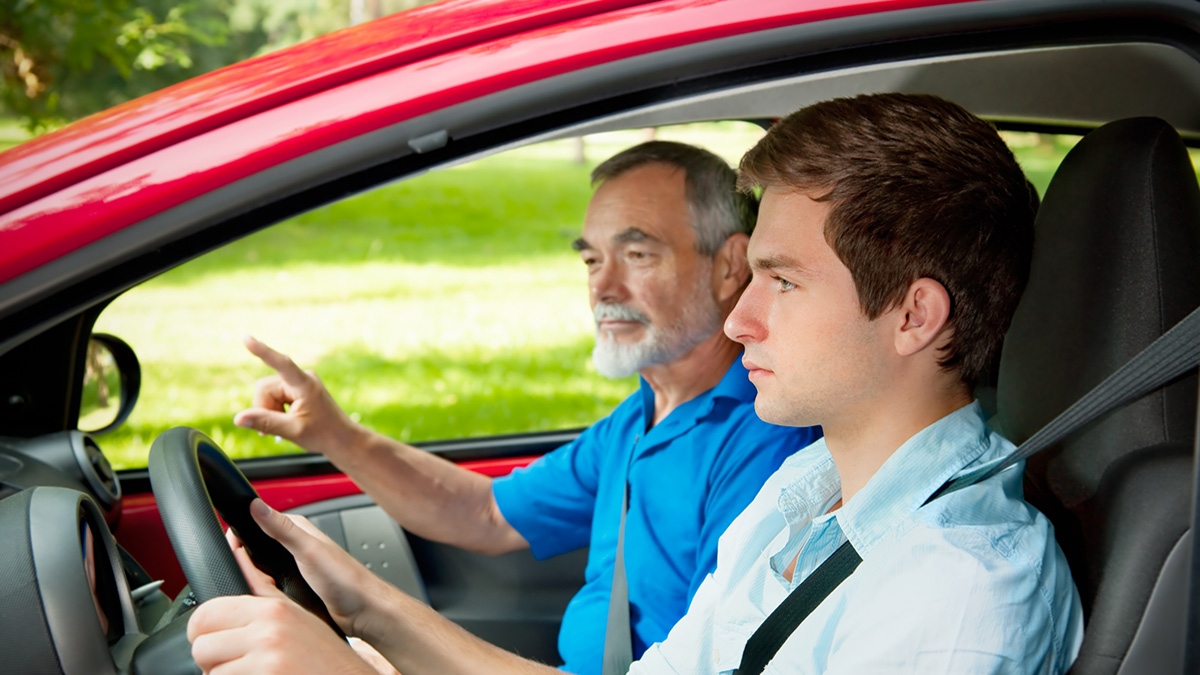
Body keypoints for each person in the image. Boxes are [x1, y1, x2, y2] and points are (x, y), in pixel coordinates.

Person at [188, 93, 1084, 675]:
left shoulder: (954, 594)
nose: (742, 319)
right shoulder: (806, 498)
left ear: (914, 316)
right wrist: (368, 610)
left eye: (783, 280)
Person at [227, 140, 821, 674]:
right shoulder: (642, 416)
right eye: (591, 260)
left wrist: (364, 623)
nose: (603, 288)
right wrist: (335, 434)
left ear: (729, 266)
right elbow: (485, 514)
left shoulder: (767, 440)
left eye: (637, 255)